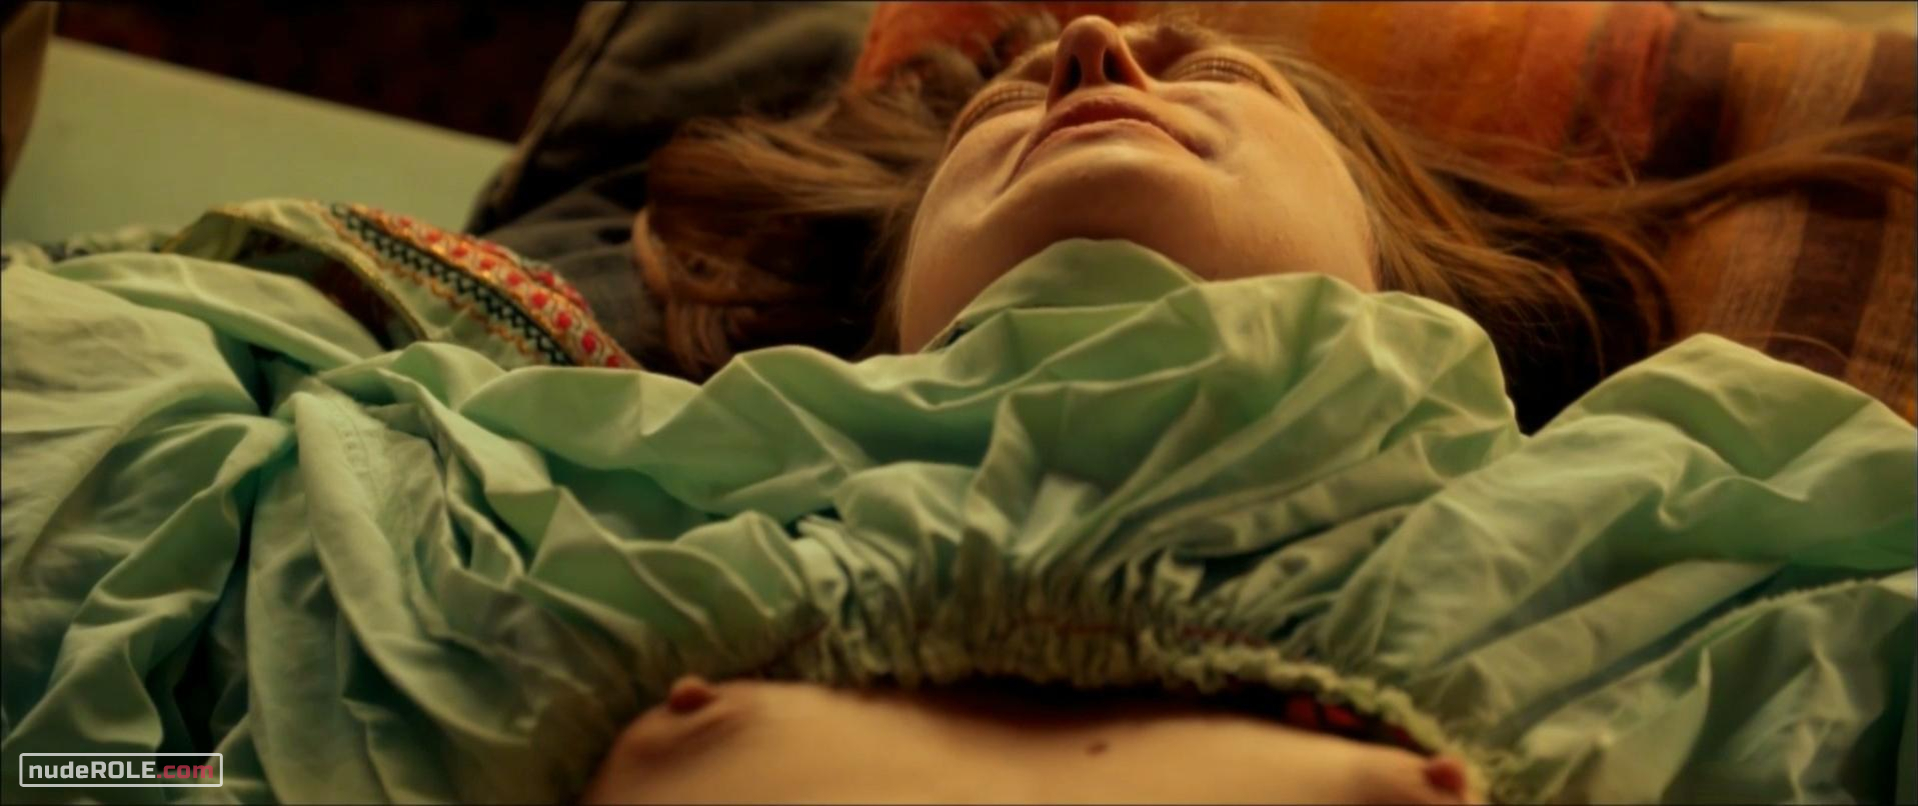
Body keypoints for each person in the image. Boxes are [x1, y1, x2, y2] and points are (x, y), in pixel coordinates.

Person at [1, 12, 1912, 806]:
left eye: (1209, 67)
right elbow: (106, 749)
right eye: (997, 104)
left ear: (1408, 247)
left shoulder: (1709, 544)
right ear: (896, 299)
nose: (1093, 46)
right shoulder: (504, 490)